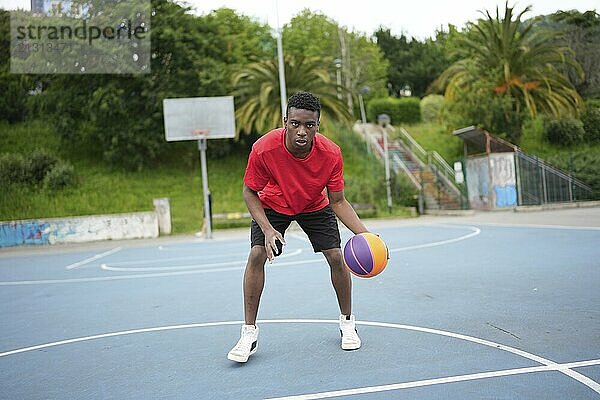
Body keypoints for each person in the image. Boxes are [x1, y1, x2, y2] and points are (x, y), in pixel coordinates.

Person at [227, 91, 370, 363]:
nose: (302, 131)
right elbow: (249, 192)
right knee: (256, 254)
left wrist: (365, 236)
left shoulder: (330, 154)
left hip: (314, 204)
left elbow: (338, 201)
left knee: (337, 257)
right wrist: (268, 230)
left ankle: (347, 323)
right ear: (285, 122)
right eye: (295, 124)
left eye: (309, 125)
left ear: (318, 126)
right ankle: (248, 333)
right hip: (273, 203)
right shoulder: (264, 148)